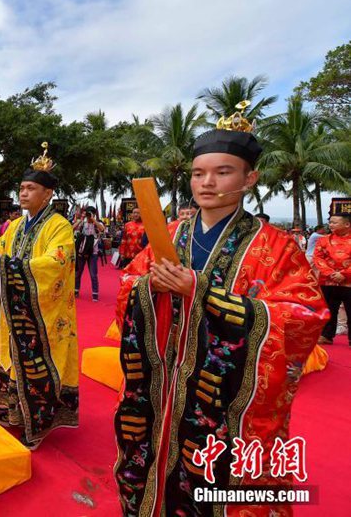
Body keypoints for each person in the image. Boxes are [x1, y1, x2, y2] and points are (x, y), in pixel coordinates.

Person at [113, 106, 328, 515]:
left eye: (223, 172)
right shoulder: (169, 234)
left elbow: (305, 317)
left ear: (250, 179)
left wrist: (203, 294)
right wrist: (148, 287)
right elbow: (127, 287)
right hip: (164, 390)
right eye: (198, 173)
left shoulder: (276, 246)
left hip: (227, 403)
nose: (207, 182)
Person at [0, 143, 78, 450]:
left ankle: (37, 424)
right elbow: (0, 247)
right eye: (21, 188)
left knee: (37, 364)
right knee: (11, 358)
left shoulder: (59, 226)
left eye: (30, 188)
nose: (23, 193)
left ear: (48, 193)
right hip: (15, 310)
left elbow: (57, 262)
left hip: (44, 314)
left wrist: (9, 264)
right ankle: (12, 413)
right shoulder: (14, 226)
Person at [313, 212, 351, 345]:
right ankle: (326, 335)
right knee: (329, 309)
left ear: (347, 224)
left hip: (349, 282)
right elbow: (317, 258)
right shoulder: (323, 240)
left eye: (335, 222)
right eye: (330, 222)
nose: (331, 225)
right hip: (328, 281)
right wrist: (330, 273)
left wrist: (344, 274)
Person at [72, 206, 104, 301]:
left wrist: (93, 219)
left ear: (94, 214)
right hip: (81, 251)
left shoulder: (97, 223)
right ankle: (76, 290)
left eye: (89, 213)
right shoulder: (82, 223)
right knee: (78, 273)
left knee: (93, 274)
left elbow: (102, 229)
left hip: (93, 252)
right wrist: (81, 219)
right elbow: (71, 228)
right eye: (86, 213)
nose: (88, 215)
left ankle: (95, 294)